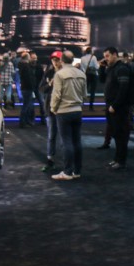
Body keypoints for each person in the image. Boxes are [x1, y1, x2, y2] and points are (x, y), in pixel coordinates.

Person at [50, 51, 86, 180]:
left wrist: (53, 108)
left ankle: (67, 172)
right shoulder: (81, 74)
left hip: (63, 111)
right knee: (77, 141)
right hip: (77, 110)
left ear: (62, 60)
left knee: (66, 142)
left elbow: (57, 94)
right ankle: (77, 171)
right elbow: (84, 94)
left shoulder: (59, 74)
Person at [103, 46, 134, 170]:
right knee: (116, 134)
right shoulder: (112, 69)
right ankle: (117, 159)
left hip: (119, 108)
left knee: (121, 135)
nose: (106, 59)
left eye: (108, 56)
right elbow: (103, 80)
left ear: (115, 55)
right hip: (113, 107)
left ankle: (121, 161)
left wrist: (115, 105)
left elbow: (123, 89)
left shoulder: (121, 69)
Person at [41, 51, 62, 173]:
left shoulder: (66, 73)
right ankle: (50, 160)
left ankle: (68, 162)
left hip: (63, 109)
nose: (55, 62)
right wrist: (49, 83)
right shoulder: (48, 73)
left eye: (57, 59)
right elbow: (41, 88)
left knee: (65, 137)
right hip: (50, 108)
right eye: (53, 59)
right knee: (51, 135)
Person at [17, 51, 37, 127]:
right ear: (27, 58)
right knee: (26, 105)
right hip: (28, 88)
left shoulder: (21, 65)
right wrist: (33, 86)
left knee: (26, 105)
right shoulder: (26, 66)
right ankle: (23, 122)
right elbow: (29, 78)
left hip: (24, 87)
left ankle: (24, 121)